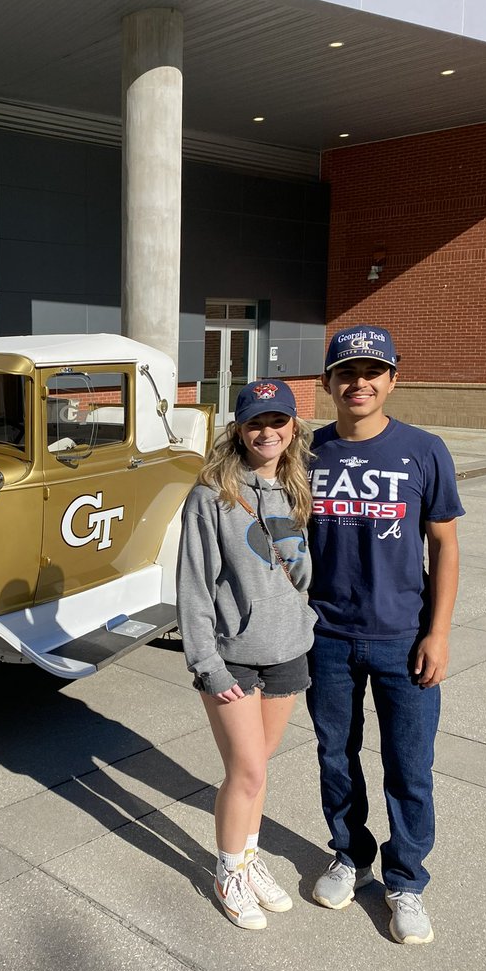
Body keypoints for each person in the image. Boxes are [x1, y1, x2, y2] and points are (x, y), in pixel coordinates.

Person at [306, 325, 463, 945]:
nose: (359, 383)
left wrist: (440, 633)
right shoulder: (308, 450)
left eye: (372, 372)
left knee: (409, 766)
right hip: (329, 638)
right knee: (335, 758)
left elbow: (445, 545)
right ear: (328, 383)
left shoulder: (424, 450)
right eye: (346, 373)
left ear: (393, 378)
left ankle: (405, 880)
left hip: (405, 637)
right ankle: (350, 855)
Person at [177, 380, 315, 930]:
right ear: (238, 428)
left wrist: (307, 617)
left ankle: (250, 861)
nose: (268, 432)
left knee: (259, 772)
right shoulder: (211, 495)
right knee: (246, 770)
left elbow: (304, 576)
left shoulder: (297, 488)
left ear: (293, 427)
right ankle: (228, 870)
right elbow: (193, 584)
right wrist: (205, 663)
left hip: (287, 652)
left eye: (278, 421)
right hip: (233, 655)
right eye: (257, 422)